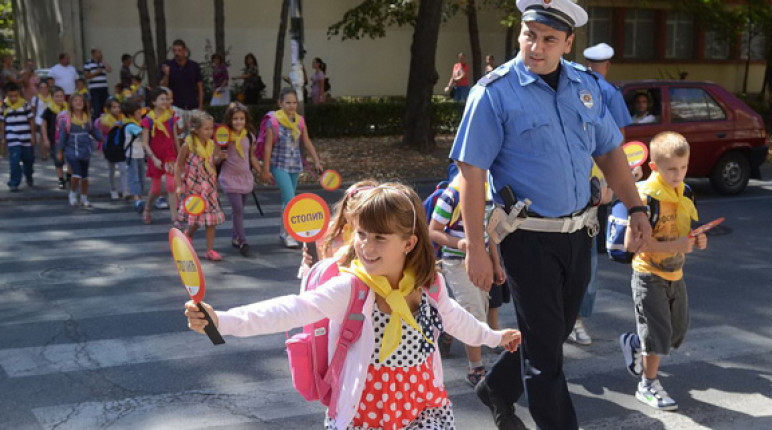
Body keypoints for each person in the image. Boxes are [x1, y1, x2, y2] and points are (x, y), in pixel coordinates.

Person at [449, 1, 653, 429]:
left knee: (552, 334)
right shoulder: (494, 92)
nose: (536, 47)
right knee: (546, 358)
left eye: (548, 39)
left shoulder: (585, 85)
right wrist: (475, 249)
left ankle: (497, 388)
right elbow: (471, 174)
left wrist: (635, 207)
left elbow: (610, 151)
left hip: (580, 235)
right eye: (529, 35)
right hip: (528, 238)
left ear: (568, 42)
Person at [184, 183, 522, 430]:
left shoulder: (428, 283)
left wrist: (493, 336)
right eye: (361, 234)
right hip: (365, 416)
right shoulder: (351, 288)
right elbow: (290, 309)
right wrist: (221, 320)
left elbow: (454, 319)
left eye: (379, 238)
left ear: (409, 243)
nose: (365, 246)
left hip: (422, 409)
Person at [618, 131, 707, 412]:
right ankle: (647, 385)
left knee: (675, 332)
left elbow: (683, 232)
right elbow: (631, 244)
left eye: (683, 167)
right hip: (648, 275)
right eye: (671, 169)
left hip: (675, 274)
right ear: (654, 167)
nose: (678, 174)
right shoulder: (646, 197)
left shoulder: (685, 192)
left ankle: (635, 343)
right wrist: (674, 246)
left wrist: (697, 238)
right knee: (658, 336)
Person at [569, 42, 635, 346]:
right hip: (594, 186)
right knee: (586, 257)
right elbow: (618, 143)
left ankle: (569, 320)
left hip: (579, 183)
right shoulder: (608, 92)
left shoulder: (567, 83)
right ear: (607, 64)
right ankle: (574, 319)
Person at [428, 173, 507, 387]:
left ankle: (447, 331)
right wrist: (459, 243)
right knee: (474, 313)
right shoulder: (452, 194)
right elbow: (432, 231)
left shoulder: (489, 190)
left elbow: (490, 233)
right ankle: (475, 369)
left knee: (479, 309)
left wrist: (496, 264)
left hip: (482, 262)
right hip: (456, 262)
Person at [259, 87, 325, 249]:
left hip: (295, 165)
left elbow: (306, 141)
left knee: (286, 200)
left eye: (294, 102)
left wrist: (316, 160)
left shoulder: (300, 120)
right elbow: (268, 147)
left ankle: (284, 232)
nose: (291, 106)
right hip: (278, 165)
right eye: (288, 102)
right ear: (280, 103)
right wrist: (265, 170)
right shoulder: (273, 121)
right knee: (291, 199)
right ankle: (290, 235)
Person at [175, 110, 226, 261]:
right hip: (194, 186)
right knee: (197, 217)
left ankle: (209, 250)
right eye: (206, 129)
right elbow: (179, 165)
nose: (210, 132)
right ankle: (188, 234)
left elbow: (212, 162)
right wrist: (178, 186)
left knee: (211, 219)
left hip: (209, 185)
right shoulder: (188, 145)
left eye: (211, 128)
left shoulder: (211, 144)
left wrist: (220, 158)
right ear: (195, 130)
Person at [218, 102, 261, 256]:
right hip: (229, 178)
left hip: (245, 178)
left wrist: (262, 172)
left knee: (238, 211)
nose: (238, 122)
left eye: (241, 119)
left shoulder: (249, 136)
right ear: (229, 120)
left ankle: (235, 237)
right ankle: (243, 241)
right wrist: (219, 157)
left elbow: (251, 157)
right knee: (238, 209)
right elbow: (216, 158)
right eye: (235, 119)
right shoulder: (223, 136)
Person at [141, 87, 181, 225]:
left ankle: (175, 218)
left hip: (170, 154)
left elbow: (175, 138)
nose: (165, 102)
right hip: (155, 156)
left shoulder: (171, 117)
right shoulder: (148, 120)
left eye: (166, 99)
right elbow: (145, 143)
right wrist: (153, 158)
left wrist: (181, 155)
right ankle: (147, 209)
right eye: (162, 99)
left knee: (171, 185)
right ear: (153, 101)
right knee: (155, 189)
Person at [57, 93, 102, 207]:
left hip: (85, 150)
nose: (78, 102)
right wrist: (60, 151)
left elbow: (94, 131)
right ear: (71, 104)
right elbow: (62, 137)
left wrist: (103, 138)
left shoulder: (88, 118)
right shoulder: (67, 120)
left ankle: (84, 198)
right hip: (72, 151)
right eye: (75, 100)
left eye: (80, 100)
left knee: (85, 177)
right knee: (76, 174)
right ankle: (72, 194)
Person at [0, 82, 36, 192]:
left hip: (26, 136)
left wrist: (33, 136)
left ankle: (28, 175)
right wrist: (3, 138)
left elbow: (31, 120)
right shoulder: (4, 106)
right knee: (14, 160)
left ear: (19, 94)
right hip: (12, 136)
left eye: (15, 95)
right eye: (10, 96)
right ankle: (14, 182)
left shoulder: (25, 104)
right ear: (7, 95)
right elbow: (2, 122)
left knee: (28, 159)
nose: (13, 98)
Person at [160, 39, 203, 130]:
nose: (177, 53)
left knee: (194, 132)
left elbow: (200, 87)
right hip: (176, 106)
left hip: (192, 105)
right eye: (175, 50)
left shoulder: (194, 66)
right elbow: (163, 87)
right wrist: (166, 74)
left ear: (185, 51)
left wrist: (200, 106)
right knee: (178, 133)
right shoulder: (168, 65)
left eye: (179, 50)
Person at [96, 98, 129, 200]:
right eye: (114, 107)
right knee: (111, 170)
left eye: (118, 107)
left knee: (123, 169)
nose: (117, 109)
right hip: (109, 148)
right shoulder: (103, 120)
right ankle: (113, 189)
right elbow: (100, 135)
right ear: (108, 109)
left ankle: (125, 190)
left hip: (120, 148)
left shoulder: (123, 119)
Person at [120, 101, 148, 214]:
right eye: (138, 112)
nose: (140, 114)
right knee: (135, 177)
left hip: (139, 154)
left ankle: (139, 198)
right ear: (131, 114)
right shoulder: (131, 126)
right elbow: (143, 133)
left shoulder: (136, 123)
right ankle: (137, 199)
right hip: (132, 156)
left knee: (141, 177)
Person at [41, 86, 68, 189]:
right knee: (58, 160)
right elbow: (44, 125)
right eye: (57, 96)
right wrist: (45, 139)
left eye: (61, 96)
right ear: (52, 98)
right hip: (55, 139)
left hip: (68, 139)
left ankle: (69, 176)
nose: (59, 99)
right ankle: (61, 179)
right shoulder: (49, 110)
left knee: (70, 159)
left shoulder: (68, 109)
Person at [84, 48, 112, 120]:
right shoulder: (88, 63)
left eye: (100, 52)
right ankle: (95, 122)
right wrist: (97, 72)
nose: (100, 54)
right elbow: (86, 76)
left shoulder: (102, 63)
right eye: (98, 52)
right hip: (95, 89)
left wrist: (104, 62)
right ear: (93, 54)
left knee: (105, 106)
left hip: (104, 88)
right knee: (96, 107)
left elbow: (109, 70)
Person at [30, 80, 51, 160]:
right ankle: (44, 154)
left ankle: (51, 151)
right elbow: (33, 110)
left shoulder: (52, 97)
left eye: (45, 87)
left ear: (48, 88)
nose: (43, 89)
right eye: (41, 87)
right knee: (42, 137)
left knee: (51, 136)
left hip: (51, 120)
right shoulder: (35, 98)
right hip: (40, 120)